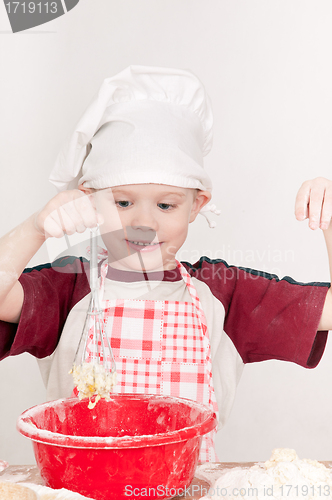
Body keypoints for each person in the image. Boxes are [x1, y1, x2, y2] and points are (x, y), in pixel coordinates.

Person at [0, 66, 331, 462]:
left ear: (197, 204)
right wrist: (36, 228)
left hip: (184, 487)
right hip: (81, 486)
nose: (144, 222)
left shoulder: (225, 292)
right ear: (88, 199)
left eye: (165, 204)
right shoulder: (68, 286)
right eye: (122, 202)